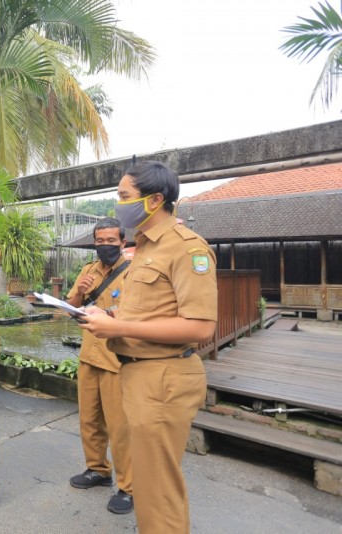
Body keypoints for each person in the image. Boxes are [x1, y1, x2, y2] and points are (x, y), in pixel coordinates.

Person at [80, 161, 217, 534]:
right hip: (138, 372)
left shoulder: (187, 248)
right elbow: (147, 311)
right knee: (149, 484)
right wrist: (107, 315)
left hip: (164, 375)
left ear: (156, 200)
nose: (118, 205)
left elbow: (201, 325)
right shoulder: (142, 248)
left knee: (158, 492)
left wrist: (118, 325)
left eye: (124, 197)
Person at [66, 217, 133, 515]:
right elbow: (71, 305)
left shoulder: (133, 272)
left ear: (123, 242)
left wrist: (106, 312)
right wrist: (80, 291)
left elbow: (135, 312)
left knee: (120, 427)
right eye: (99, 241)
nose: (104, 246)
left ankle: (128, 487)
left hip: (116, 359)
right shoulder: (88, 270)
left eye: (110, 241)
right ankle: (98, 470)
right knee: (89, 419)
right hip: (88, 355)